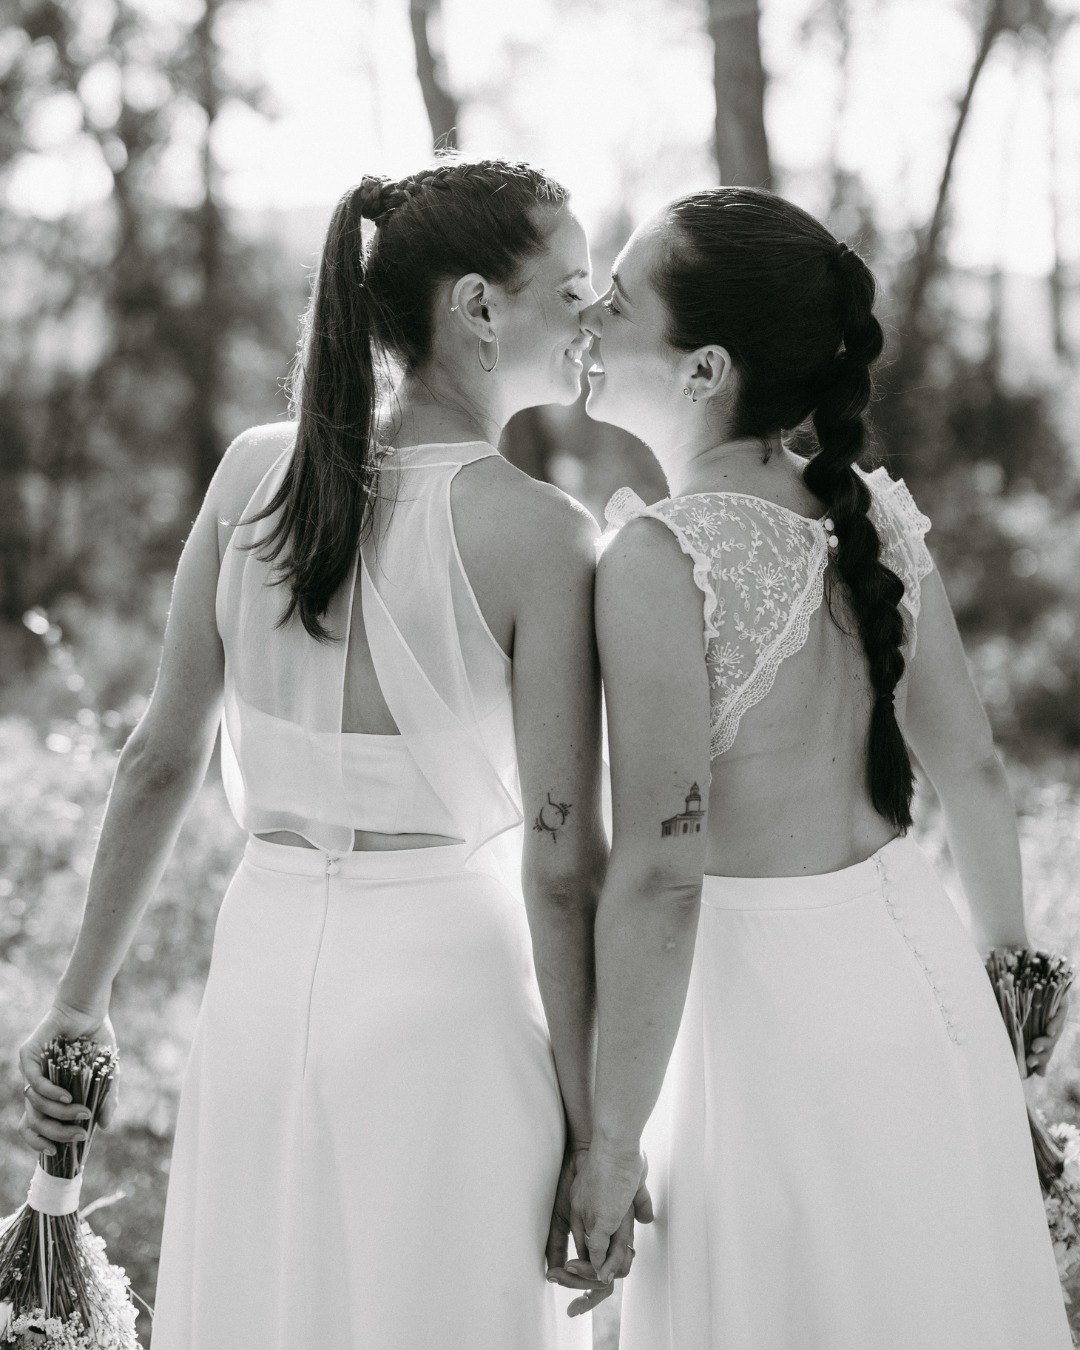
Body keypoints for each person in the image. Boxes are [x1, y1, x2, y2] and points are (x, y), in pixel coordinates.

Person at [18, 156, 608, 1349]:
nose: (593, 314)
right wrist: (600, 1131)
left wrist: (79, 1003)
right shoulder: (544, 534)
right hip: (446, 996)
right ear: (479, 308)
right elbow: (562, 869)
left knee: (265, 1302)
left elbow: (159, 761)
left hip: (261, 974)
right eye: (574, 286)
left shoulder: (253, 473)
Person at [558, 187, 1072, 1347]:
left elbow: (662, 875)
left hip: (761, 1031)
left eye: (619, 299)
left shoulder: (657, 558)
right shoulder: (876, 518)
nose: (588, 312)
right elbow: (977, 774)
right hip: (920, 984)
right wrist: (1016, 1039)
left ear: (704, 371)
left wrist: (612, 1140)